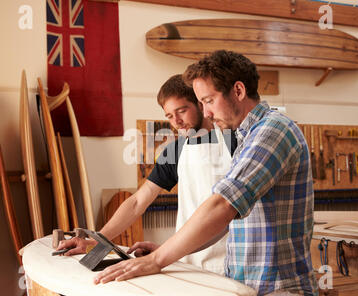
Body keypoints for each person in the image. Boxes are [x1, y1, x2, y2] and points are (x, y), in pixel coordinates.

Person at [94, 50, 319, 296]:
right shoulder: (245, 137)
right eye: (202, 104)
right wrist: (165, 250)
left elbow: (222, 205)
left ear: (238, 91)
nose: (208, 113)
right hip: (241, 285)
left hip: (278, 290)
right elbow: (231, 224)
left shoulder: (272, 130)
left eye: (209, 101)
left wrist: (158, 259)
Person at [57, 74, 237, 275]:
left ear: (199, 104)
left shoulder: (234, 142)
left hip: (231, 261)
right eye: (169, 116)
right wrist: (95, 241)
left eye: (182, 111)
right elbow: (137, 203)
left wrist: (164, 253)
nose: (176, 121)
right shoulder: (176, 151)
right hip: (187, 263)